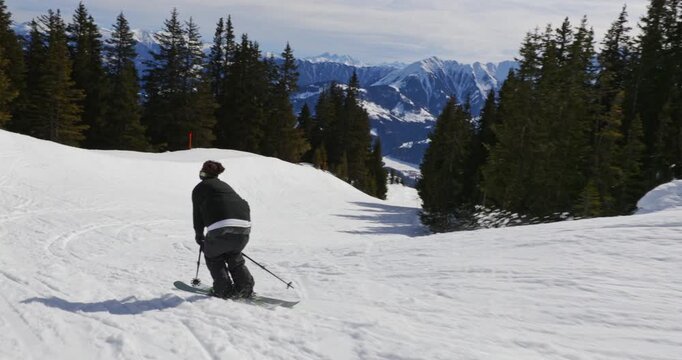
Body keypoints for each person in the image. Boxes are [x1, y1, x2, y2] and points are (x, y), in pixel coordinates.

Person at [192, 160, 254, 299]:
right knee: (233, 255)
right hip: (244, 229)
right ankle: (245, 288)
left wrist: (199, 235)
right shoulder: (225, 186)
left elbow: (197, 214)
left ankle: (223, 289)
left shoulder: (200, 188)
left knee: (213, 256)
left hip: (220, 230)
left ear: (203, 172)